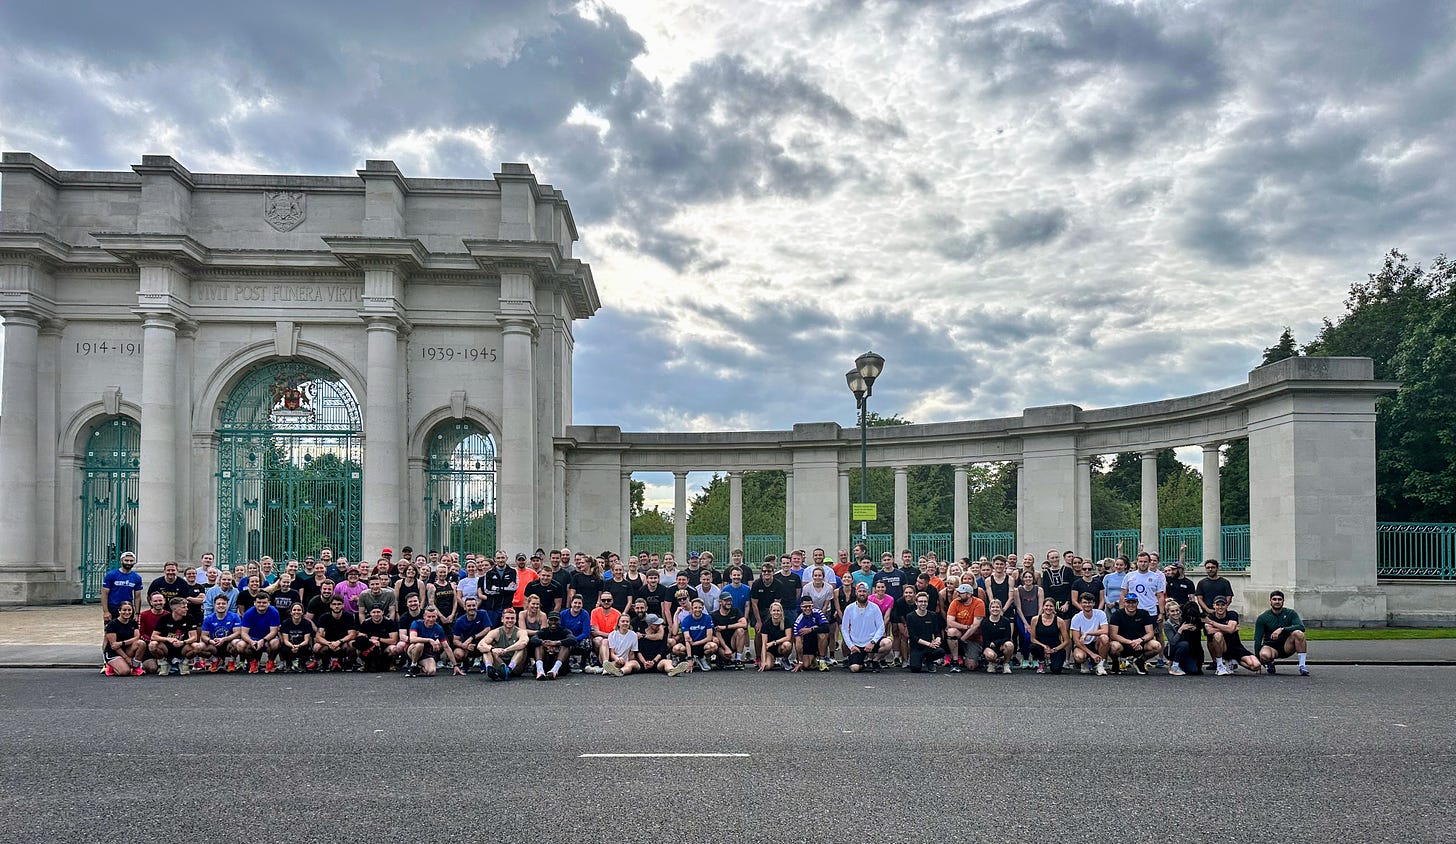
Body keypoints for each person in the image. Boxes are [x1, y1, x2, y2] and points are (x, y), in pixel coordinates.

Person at [1254, 590, 1309, 675]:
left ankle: (1302, 666)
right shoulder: (1263, 617)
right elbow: (1257, 639)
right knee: (1264, 654)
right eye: (1274, 599)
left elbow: (1301, 627)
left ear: (1283, 601)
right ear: (1270, 601)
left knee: (1299, 633)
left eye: (1279, 599)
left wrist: (1282, 629)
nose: (1277, 601)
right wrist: (1257, 659)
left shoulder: (1291, 613)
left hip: (1287, 646)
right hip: (1271, 647)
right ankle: (1270, 663)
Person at [842, 583, 892, 673]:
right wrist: (851, 646)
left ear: (868, 593)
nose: (862, 593)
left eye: (864, 591)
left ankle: (875, 660)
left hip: (871, 641)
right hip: (856, 644)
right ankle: (861, 663)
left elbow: (881, 628)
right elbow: (844, 629)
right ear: (856, 593)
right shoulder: (849, 608)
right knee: (855, 669)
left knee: (887, 643)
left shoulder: (875, 608)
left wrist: (873, 642)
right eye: (860, 591)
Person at [1205, 596, 1261, 675]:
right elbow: (1210, 631)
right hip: (1221, 648)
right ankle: (1220, 666)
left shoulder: (1232, 614)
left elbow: (1230, 629)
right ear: (1214, 605)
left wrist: (1213, 623)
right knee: (1218, 635)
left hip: (1235, 647)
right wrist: (1228, 629)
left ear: (1226, 606)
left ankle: (1234, 661)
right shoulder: (1210, 616)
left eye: (1223, 605)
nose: (1220, 607)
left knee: (1256, 666)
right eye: (1218, 605)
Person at [1108, 593, 1162, 674]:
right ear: (1124, 603)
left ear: (1137, 603)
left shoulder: (1144, 614)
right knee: (1113, 646)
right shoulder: (1117, 614)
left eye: (1133, 602)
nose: (1131, 605)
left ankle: (1140, 661)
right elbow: (1113, 635)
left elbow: (1150, 633)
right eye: (1128, 602)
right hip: (1122, 644)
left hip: (1140, 644)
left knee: (1156, 646)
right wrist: (1130, 642)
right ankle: (1115, 663)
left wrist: (1140, 640)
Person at [150, 597, 203, 675]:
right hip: (167, 647)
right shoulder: (164, 618)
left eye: (186, 607)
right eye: (183, 607)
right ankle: (164, 662)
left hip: (182, 647)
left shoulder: (189, 617)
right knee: (153, 645)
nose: (187, 609)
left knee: (197, 646)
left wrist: (183, 642)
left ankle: (184, 662)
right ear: (175, 609)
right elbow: (154, 636)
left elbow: (194, 637)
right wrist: (168, 639)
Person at [405, 605, 457, 677]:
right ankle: (413, 665)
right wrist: (429, 640)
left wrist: (455, 666)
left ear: (436, 617)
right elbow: (412, 639)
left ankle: (419, 667)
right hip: (412, 650)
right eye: (429, 617)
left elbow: (446, 647)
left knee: (431, 672)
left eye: (433, 617)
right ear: (424, 617)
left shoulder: (438, 628)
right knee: (420, 644)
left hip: (426, 653)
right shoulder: (416, 623)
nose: (431, 619)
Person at [944, 584, 985, 673]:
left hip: (974, 637)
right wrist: (965, 627)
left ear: (969, 594)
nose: (958, 594)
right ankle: (955, 661)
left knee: (971, 666)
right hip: (960, 632)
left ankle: (976, 657)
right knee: (951, 631)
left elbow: (975, 625)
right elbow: (950, 622)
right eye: (958, 592)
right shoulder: (955, 602)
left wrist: (963, 639)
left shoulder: (979, 603)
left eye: (961, 593)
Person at [237, 592, 281, 674]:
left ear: (268, 603)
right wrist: (251, 641)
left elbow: (274, 631)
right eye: (259, 602)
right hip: (253, 638)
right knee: (240, 645)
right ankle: (252, 663)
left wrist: (263, 640)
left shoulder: (274, 612)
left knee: (276, 643)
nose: (261, 604)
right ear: (255, 603)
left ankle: (270, 662)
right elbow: (243, 633)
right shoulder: (248, 613)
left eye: (264, 602)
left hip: (267, 639)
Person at [198, 594, 244, 672]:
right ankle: (215, 660)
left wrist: (224, 639)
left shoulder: (234, 616)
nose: (221, 606)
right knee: (198, 647)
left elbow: (238, 633)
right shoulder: (208, 618)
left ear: (227, 605)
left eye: (223, 603)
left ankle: (231, 661)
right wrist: (210, 641)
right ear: (214, 605)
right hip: (214, 645)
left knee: (236, 642)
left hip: (228, 644)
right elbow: (204, 636)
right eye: (218, 604)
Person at [904, 591, 946, 673]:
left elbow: (936, 632)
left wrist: (938, 639)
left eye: (925, 601)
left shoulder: (932, 615)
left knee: (941, 651)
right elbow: (913, 637)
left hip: (929, 647)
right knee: (915, 668)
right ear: (916, 603)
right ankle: (919, 659)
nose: (923, 604)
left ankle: (929, 661)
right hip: (917, 647)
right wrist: (929, 644)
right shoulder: (910, 616)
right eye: (920, 601)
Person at [312, 595, 358, 671]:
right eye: (334, 604)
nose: (336, 606)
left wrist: (339, 642)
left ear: (343, 605)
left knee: (353, 643)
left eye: (339, 604)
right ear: (330, 606)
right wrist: (329, 644)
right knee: (316, 646)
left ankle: (349, 663)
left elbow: (352, 634)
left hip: (343, 643)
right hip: (328, 644)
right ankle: (323, 663)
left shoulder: (349, 616)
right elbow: (318, 637)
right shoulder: (324, 617)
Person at [1068, 594, 1111, 675]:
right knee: (1079, 657)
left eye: (1090, 603)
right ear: (1080, 604)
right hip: (1082, 644)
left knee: (1104, 638)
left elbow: (1105, 630)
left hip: (1096, 644)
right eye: (1084, 602)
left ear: (1094, 604)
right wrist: (1092, 654)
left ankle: (1100, 665)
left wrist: (1087, 633)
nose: (1087, 605)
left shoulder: (1100, 614)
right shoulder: (1076, 618)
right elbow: (1076, 640)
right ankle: (1085, 662)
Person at [482, 607, 528, 680]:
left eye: (512, 618)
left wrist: (506, 650)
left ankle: (508, 670)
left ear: (515, 620)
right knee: (486, 649)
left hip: (516, 666)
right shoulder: (495, 632)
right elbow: (480, 644)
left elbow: (523, 643)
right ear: (502, 619)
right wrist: (492, 649)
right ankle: (489, 668)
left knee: (522, 649)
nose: (510, 620)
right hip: (500, 663)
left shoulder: (521, 632)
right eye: (507, 618)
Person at [102, 600, 145, 676]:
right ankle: (110, 667)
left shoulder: (133, 623)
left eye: (129, 610)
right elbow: (114, 645)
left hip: (127, 649)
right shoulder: (112, 624)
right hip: (114, 652)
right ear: (119, 611)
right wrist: (126, 658)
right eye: (124, 610)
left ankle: (135, 667)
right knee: (125, 672)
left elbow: (137, 637)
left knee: (141, 643)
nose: (127, 612)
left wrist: (122, 643)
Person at [674, 597, 718, 672]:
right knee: (676, 649)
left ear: (703, 608)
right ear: (692, 608)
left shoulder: (707, 618)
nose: (698, 610)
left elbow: (709, 637)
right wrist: (689, 658)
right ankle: (685, 660)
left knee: (713, 646)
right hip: (689, 645)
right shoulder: (686, 620)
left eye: (700, 607)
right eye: (695, 608)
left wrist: (695, 643)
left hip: (702, 644)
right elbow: (687, 640)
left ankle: (703, 658)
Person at [101, 551, 144, 624]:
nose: (129, 563)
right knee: (110, 632)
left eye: (131, 561)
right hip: (113, 608)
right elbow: (104, 594)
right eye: (126, 560)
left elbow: (137, 597)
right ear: (121, 560)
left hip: (128, 609)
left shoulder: (137, 577)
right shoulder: (111, 575)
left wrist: (137, 613)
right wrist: (106, 611)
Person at [1029, 598, 1069, 674]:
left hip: (1055, 647)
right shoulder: (1035, 619)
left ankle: (1052, 661)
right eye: (1046, 606)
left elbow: (1066, 641)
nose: (1048, 608)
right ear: (1043, 607)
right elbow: (1033, 639)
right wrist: (1044, 647)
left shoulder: (1060, 621)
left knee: (1056, 670)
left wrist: (1054, 650)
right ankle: (1042, 661)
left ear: (1054, 608)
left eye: (1051, 606)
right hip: (1040, 646)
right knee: (1033, 647)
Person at [450, 596, 492, 671]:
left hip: (481, 643)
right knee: (458, 653)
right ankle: (466, 662)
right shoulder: (459, 621)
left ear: (477, 606)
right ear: (464, 607)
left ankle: (484, 661)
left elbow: (488, 629)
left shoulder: (483, 613)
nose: (471, 607)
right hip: (468, 646)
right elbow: (455, 640)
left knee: (491, 641)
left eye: (473, 605)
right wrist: (464, 645)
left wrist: (472, 637)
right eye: (469, 606)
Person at [792, 596, 830, 672]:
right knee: (806, 665)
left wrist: (811, 629)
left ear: (812, 606)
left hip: (817, 639)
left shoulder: (818, 612)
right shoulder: (798, 622)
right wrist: (800, 661)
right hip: (807, 643)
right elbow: (798, 643)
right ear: (801, 607)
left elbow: (827, 628)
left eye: (810, 606)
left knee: (822, 634)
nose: (808, 609)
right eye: (805, 607)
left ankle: (822, 661)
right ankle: (814, 659)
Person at [710, 594, 749, 668]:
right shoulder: (714, 615)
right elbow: (716, 632)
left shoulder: (736, 611)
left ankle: (738, 659)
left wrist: (726, 627)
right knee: (726, 656)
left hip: (733, 641)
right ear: (720, 602)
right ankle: (720, 658)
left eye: (730, 600)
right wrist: (726, 648)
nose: (729, 602)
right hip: (721, 644)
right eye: (726, 600)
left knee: (741, 630)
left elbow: (744, 624)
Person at [535, 611, 577, 679]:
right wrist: (544, 644)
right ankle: (540, 670)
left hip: (559, 665)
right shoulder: (543, 631)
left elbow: (573, 639)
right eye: (551, 620)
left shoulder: (564, 631)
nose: (553, 622)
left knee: (565, 645)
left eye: (556, 620)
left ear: (560, 621)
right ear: (548, 621)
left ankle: (554, 670)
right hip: (545, 661)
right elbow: (533, 639)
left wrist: (556, 643)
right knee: (538, 645)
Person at [356, 605, 397, 672]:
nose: (376, 614)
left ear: (382, 612)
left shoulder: (389, 622)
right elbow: (360, 638)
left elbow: (394, 641)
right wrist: (371, 641)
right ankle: (364, 663)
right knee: (358, 648)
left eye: (378, 612)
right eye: (374, 612)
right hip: (370, 646)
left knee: (394, 649)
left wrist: (379, 639)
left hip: (385, 646)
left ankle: (390, 663)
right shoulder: (366, 623)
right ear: (370, 613)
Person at [980, 599, 1017, 674]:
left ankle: (1006, 664)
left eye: (997, 607)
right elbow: (985, 639)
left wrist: (996, 643)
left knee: (1009, 645)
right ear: (990, 609)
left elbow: (1007, 637)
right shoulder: (985, 622)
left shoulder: (1006, 621)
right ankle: (992, 663)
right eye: (993, 607)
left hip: (1001, 645)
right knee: (990, 655)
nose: (995, 609)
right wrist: (991, 646)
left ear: (1001, 608)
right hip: (989, 646)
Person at [276, 602, 315, 672]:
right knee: (283, 648)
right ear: (291, 612)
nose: (296, 612)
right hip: (290, 645)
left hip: (302, 645)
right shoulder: (285, 623)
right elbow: (285, 640)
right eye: (294, 610)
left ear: (302, 612)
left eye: (299, 610)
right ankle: (288, 663)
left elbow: (306, 640)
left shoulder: (307, 623)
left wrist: (298, 646)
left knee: (307, 649)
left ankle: (302, 664)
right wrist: (292, 646)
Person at [756, 601, 794, 671]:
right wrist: (764, 661)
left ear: (781, 612)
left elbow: (788, 637)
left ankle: (784, 659)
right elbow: (764, 644)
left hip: (780, 647)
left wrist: (774, 642)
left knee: (787, 645)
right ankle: (771, 660)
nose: (776, 612)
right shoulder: (766, 624)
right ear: (770, 612)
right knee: (767, 667)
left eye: (778, 611)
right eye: (774, 610)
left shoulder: (786, 621)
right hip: (770, 650)